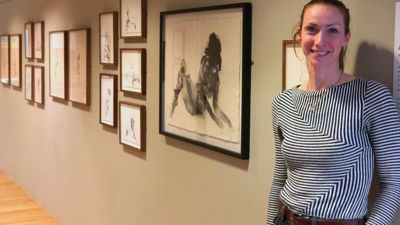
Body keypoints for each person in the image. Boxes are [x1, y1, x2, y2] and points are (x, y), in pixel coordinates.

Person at [267, 1, 400, 225]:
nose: (320, 40)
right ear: (299, 34)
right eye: (312, 29)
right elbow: (279, 178)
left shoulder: (372, 97)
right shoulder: (283, 103)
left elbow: (393, 182)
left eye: (333, 30)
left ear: (346, 37)